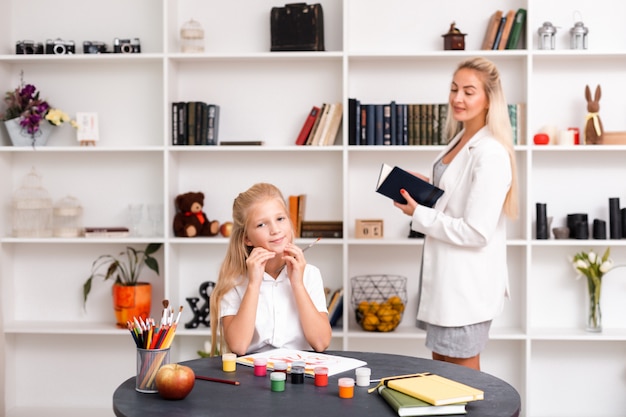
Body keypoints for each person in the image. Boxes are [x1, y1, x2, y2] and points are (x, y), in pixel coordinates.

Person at [393, 57, 519, 371]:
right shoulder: (460, 140)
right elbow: (456, 197)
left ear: (489, 98)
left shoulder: (490, 153)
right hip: (446, 284)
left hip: (465, 287)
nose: (457, 98)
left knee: (462, 380)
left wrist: (419, 213)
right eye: (453, 89)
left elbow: (477, 232)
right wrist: (429, 188)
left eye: (468, 91)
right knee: (442, 373)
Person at [209, 182, 331, 356]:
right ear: (247, 239)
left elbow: (321, 343)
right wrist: (253, 284)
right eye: (261, 225)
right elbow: (238, 346)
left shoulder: (310, 274)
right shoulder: (234, 280)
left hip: (299, 372)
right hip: (252, 373)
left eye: (280, 219)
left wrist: (297, 284)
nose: (275, 230)